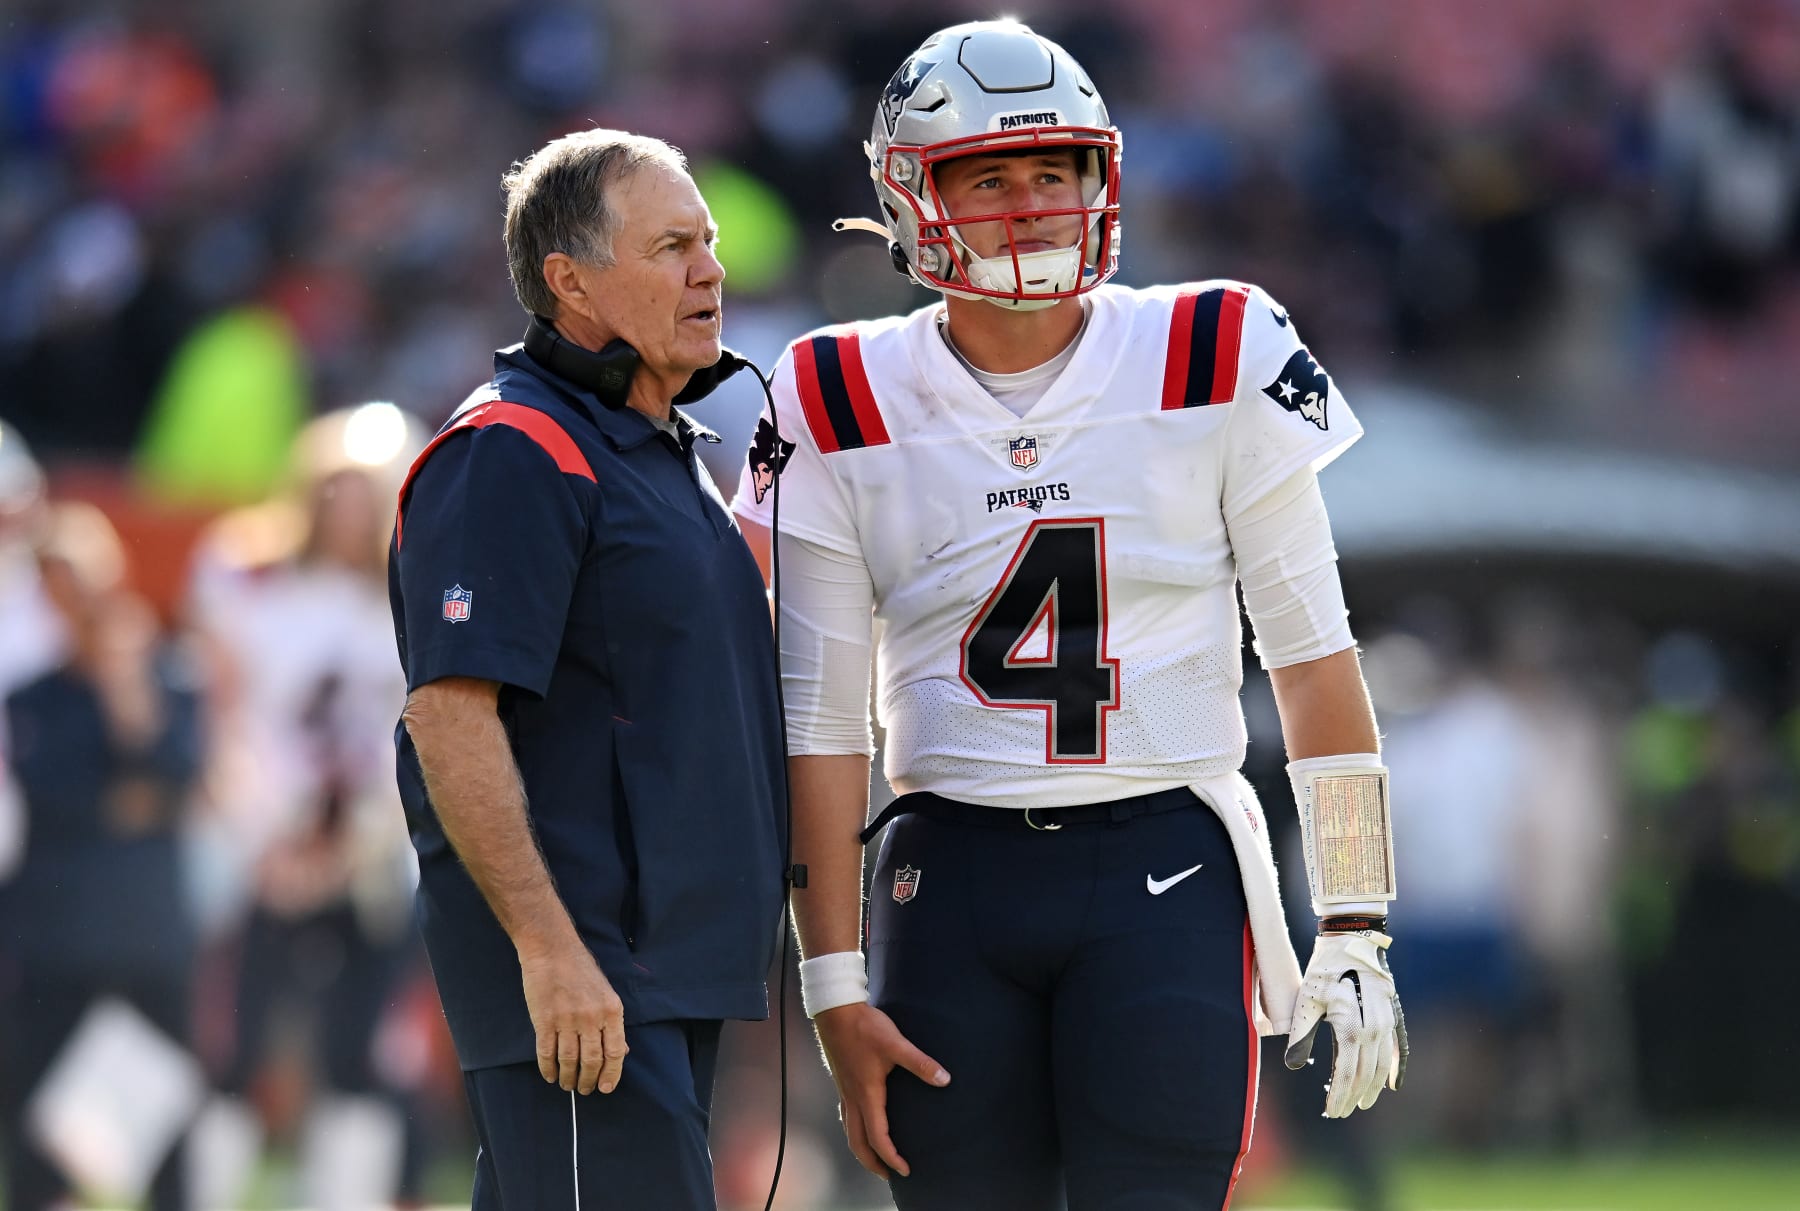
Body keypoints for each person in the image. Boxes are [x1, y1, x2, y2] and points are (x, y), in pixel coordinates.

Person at [732, 21, 1407, 1211]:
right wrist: (832, 984)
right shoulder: (833, 391)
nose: (1032, 204)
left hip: (1167, 860)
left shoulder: (1217, 346)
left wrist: (1355, 918)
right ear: (910, 194)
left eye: (1057, 171)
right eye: (987, 176)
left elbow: (1311, 655)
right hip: (948, 875)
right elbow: (819, 724)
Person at [388, 129, 786, 1209]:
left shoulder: (656, 451)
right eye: (672, 246)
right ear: (570, 280)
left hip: (655, 983)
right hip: (591, 986)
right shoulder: (514, 448)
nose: (711, 269)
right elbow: (450, 716)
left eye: (707, 242)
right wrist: (553, 952)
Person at [188, 404, 429, 1209]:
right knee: (231, 1039)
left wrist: (359, 842)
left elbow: (429, 736)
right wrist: (261, 836)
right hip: (256, 843)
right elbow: (217, 720)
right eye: (337, 487)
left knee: (361, 1048)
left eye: (367, 491)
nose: (349, 509)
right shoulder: (246, 575)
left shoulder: (411, 600)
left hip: (368, 851)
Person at [0, 502, 204, 1211]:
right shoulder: (32, 694)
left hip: (146, 937)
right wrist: (125, 799)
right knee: (38, 1134)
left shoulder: (169, 678)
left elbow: (176, 773)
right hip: (54, 940)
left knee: (164, 1132)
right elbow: (58, 797)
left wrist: (127, 684)